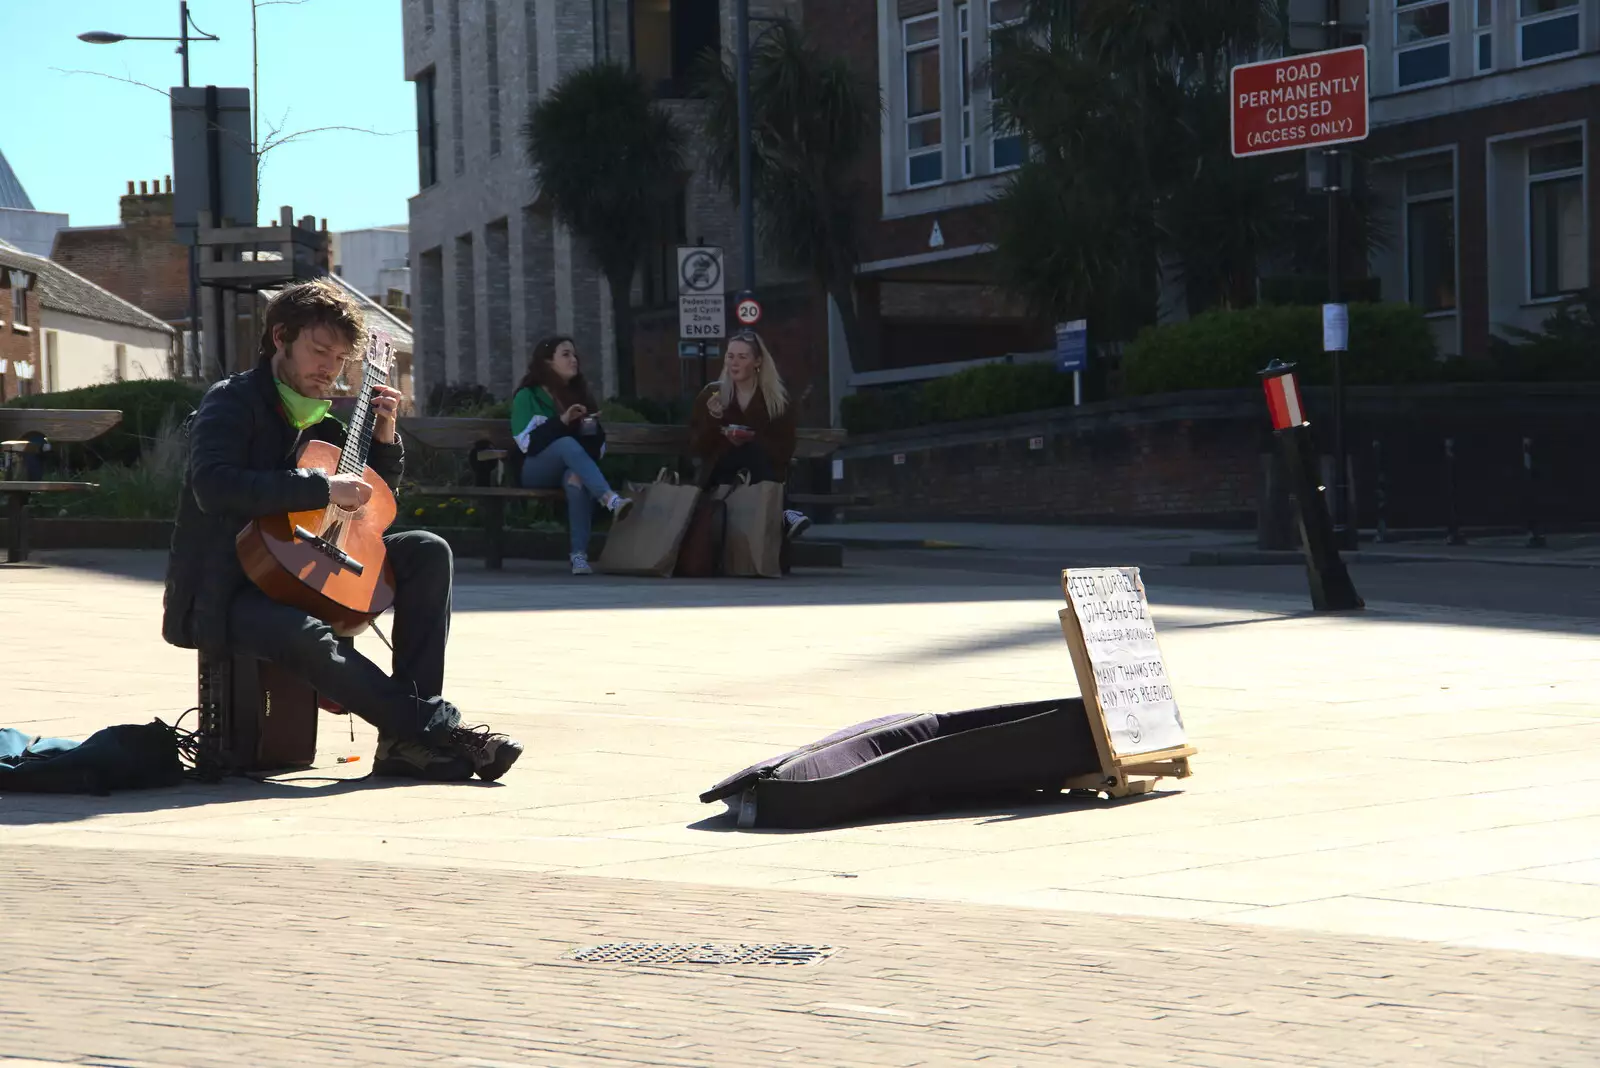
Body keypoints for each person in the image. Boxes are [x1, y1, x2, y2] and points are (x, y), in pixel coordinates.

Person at [162, 279, 523, 783]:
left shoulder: (321, 414)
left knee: (426, 550)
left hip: (301, 567)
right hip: (228, 587)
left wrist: (385, 437)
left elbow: (366, 503)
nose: (329, 368)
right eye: (318, 350)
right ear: (281, 336)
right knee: (303, 633)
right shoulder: (232, 400)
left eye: (339, 358)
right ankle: (434, 728)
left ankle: (401, 742)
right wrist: (322, 488)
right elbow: (213, 486)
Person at [510, 336, 632, 575]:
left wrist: (591, 430)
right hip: (534, 469)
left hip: (568, 466)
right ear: (547, 362)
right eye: (565, 354)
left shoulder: (579, 394)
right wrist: (563, 421)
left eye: (574, 355)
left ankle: (579, 556)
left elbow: (597, 451)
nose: (573, 360)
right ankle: (610, 499)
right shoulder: (527, 396)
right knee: (565, 443)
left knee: (575, 478)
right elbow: (528, 444)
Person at [689, 329, 811, 541]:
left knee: (750, 449)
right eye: (730, 356)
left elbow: (784, 450)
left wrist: (751, 438)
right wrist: (715, 418)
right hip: (721, 474)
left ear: (757, 362)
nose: (733, 363)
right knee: (745, 449)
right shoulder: (712, 395)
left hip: (763, 474)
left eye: (742, 357)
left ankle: (784, 513)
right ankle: (787, 513)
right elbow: (698, 447)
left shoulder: (777, 400)